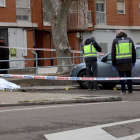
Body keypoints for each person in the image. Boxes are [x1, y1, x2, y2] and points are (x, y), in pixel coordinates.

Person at [111, 30, 136, 95]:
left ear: (118, 34)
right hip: (128, 61)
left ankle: (123, 90)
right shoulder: (129, 40)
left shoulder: (115, 41)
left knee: (121, 76)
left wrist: (113, 64)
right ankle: (130, 90)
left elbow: (113, 53)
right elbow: (133, 51)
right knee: (129, 76)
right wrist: (133, 61)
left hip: (120, 62)